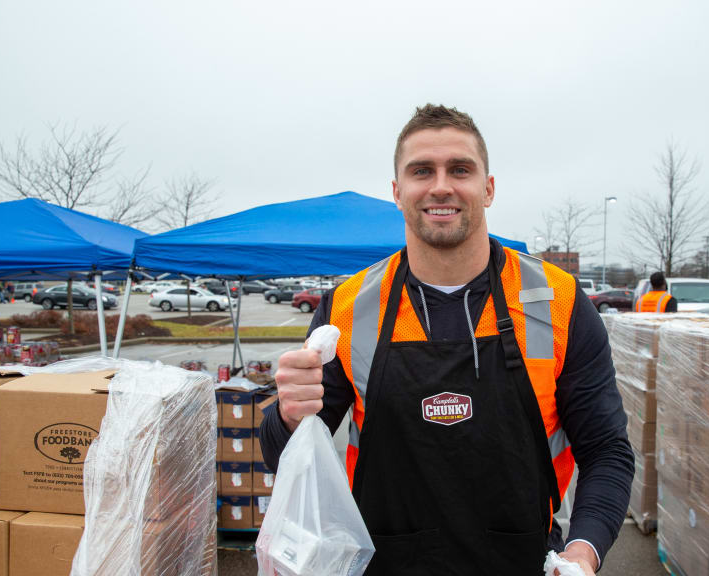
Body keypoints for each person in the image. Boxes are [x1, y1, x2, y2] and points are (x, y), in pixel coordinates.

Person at [260, 104, 634, 576]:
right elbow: (286, 457)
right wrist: (290, 415)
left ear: (488, 188)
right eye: (422, 171)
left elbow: (606, 449)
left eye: (460, 169)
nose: (441, 186)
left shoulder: (554, 301)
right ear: (398, 192)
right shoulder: (349, 307)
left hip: (528, 563)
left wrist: (583, 551)